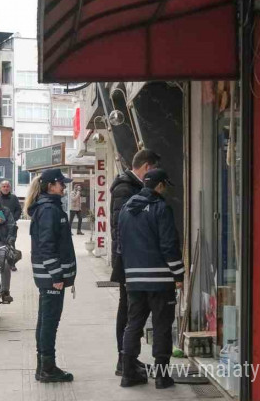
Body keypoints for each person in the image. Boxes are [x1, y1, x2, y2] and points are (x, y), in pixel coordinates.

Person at [118, 168, 184, 389]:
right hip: (160, 280)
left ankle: (128, 373)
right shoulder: (161, 208)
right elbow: (169, 245)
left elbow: (121, 243)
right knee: (162, 325)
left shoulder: (126, 208)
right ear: (160, 185)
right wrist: (178, 274)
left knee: (133, 324)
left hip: (134, 279)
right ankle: (162, 377)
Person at [110, 148, 161, 376]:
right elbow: (120, 227)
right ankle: (124, 360)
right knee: (128, 310)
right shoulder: (125, 188)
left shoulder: (134, 187)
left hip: (135, 258)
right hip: (128, 259)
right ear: (148, 167)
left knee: (135, 310)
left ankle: (130, 358)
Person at [25, 168, 76, 383]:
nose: (64, 186)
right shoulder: (49, 210)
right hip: (51, 277)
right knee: (49, 322)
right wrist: (57, 276)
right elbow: (46, 246)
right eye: (61, 183)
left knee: (45, 320)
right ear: (50, 186)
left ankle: (44, 366)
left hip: (49, 276)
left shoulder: (50, 208)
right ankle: (47, 368)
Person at [0, 180, 22, 271]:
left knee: (11, 243)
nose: (5, 188)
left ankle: (12, 263)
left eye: (7, 186)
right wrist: (2, 219)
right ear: (0, 188)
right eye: (3, 186)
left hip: (11, 225)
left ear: (10, 188)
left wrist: (13, 218)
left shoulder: (14, 198)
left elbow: (18, 210)